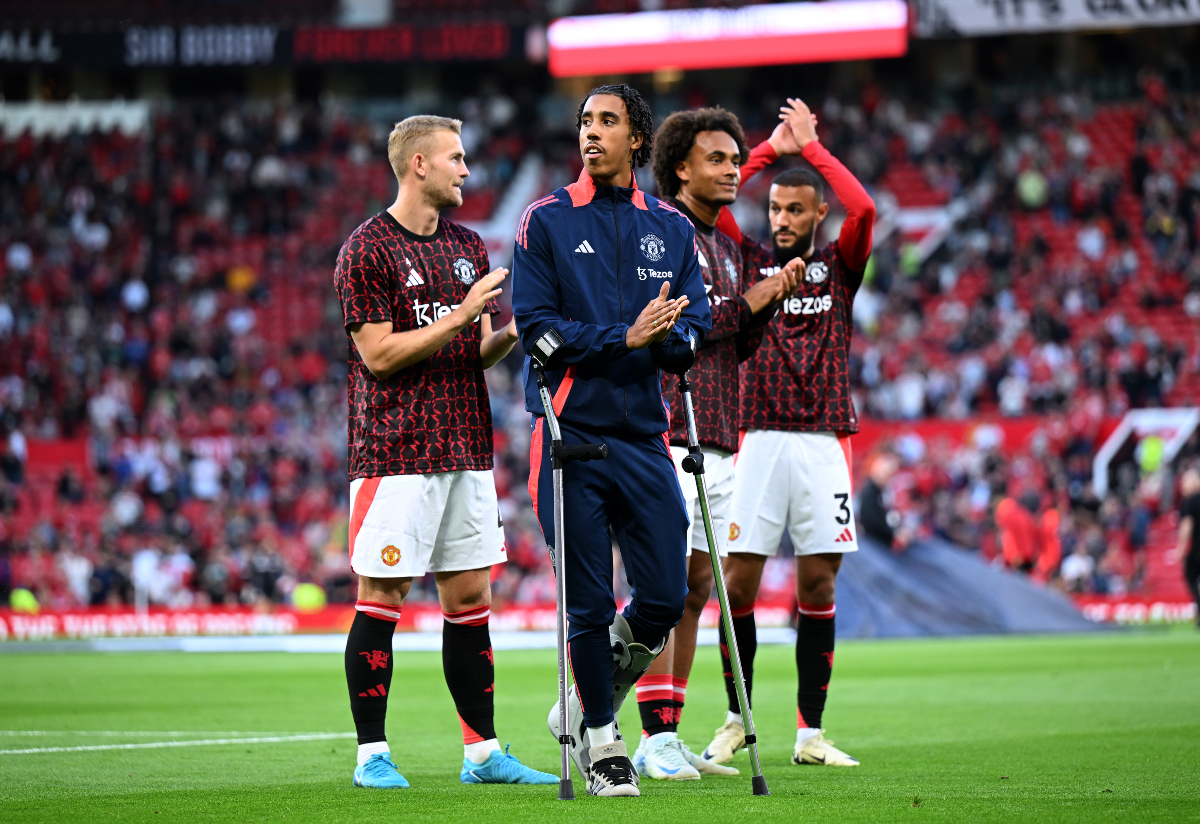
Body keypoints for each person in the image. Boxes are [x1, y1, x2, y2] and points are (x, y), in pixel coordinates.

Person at [333, 114, 556, 790]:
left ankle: (483, 753)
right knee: (383, 595)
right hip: (393, 451)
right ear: (418, 165)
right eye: (456, 158)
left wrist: (517, 330)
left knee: (469, 595)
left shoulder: (465, 245)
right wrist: (461, 316)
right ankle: (371, 754)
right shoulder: (365, 249)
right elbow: (377, 355)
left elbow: (477, 347)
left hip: (464, 445)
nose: (467, 169)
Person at [511, 84, 711, 797]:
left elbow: (695, 323)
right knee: (589, 604)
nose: (591, 133)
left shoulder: (672, 228)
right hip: (569, 435)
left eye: (607, 122)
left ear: (637, 139)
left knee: (665, 593)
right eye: (584, 122)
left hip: (645, 437)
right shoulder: (544, 222)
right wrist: (622, 337)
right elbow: (535, 328)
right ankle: (602, 739)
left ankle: (587, 698)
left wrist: (674, 344)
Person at [702, 98, 876, 769]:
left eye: (794, 210)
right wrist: (770, 151)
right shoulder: (746, 262)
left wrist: (814, 148)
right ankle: (736, 719)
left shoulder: (839, 267)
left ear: (816, 214)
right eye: (774, 209)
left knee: (819, 590)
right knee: (737, 587)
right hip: (758, 439)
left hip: (825, 441)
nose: (780, 220)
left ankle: (811, 734)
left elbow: (865, 210)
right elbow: (713, 203)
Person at [630, 106, 802, 781]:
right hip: (669, 424)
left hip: (723, 431)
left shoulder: (729, 246)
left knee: (699, 587)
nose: (733, 170)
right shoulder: (659, 234)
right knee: (662, 585)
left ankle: (665, 734)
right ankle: (624, 720)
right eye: (718, 159)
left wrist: (768, 303)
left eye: (738, 160)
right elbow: (679, 326)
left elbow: (734, 342)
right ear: (680, 168)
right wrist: (752, 302)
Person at [1172, 467, 1200, 627]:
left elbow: (1187, 525)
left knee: (1190, 575)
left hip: (1197, 549)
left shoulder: (1189, 502)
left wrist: (1181, 548)